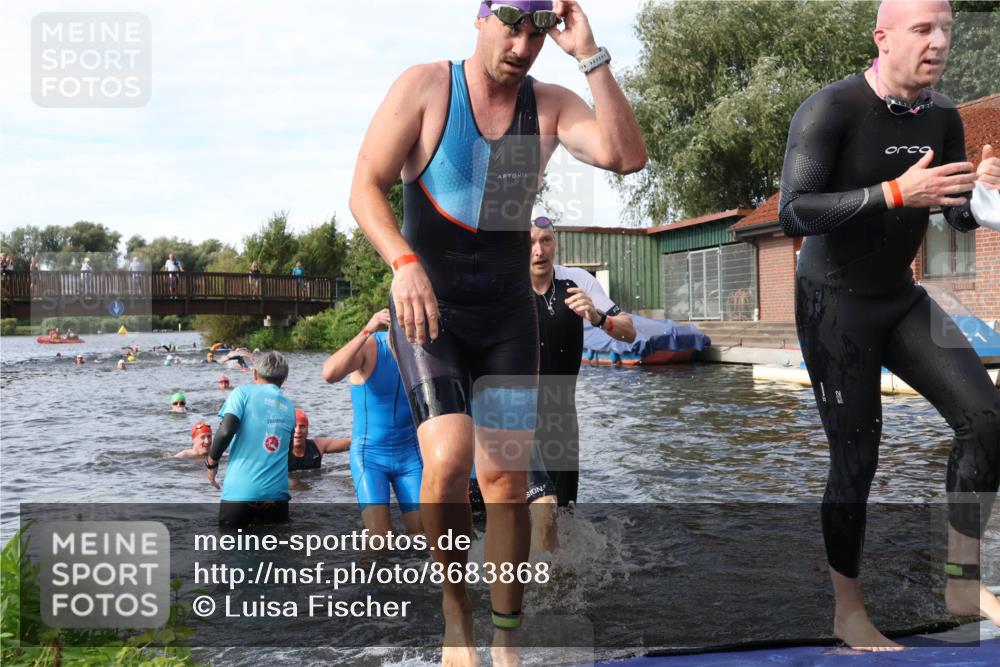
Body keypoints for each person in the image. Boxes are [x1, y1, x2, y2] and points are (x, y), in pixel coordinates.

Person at [349, 1, 647, 662]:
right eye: (511, 24)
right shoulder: (427, 87)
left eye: (537, 31)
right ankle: (457, 614)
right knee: (449, 459)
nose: (522, 44)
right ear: (481, 17)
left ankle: (505, 640)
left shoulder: (549, 104)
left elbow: (627, 156)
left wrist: (590, 54)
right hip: (431, 311)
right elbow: (364, 187)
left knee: (508, 483)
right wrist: (402, 264)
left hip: (508, 321)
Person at [778, 0, 1000, 651]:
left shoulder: (944, 117)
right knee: (858, 457)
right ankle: (848, 609)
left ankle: (962, 580)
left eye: (948, 31)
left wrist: (979, 193)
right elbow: (795, 212)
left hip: (899, 298)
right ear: (883, 37)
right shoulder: (833, 109)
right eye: (923, 29)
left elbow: (954, 214)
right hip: (833, 304)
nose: (939, 43)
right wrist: (894, 193)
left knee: (987, 421)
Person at [321, 309, 424, 537]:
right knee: (381, 535)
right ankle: (370, 572)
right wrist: (367, 330)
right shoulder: (371, 347)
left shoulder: (423, 352)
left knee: (424, 533)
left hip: (410, 456)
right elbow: (329, 374)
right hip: (370, 456)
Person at [206, 351, 297, 527]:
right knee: (276, 551)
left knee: (231, 549)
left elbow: (226, 430)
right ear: (284, 378)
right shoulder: (289, 406)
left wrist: (212, 462)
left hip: (241, 494)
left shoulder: (241, 393)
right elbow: (288, 451)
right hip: (277, 497)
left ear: (255, 373)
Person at [287, 408, 351, 473]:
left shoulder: (317, 446)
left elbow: (351, 443)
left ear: (307, 430)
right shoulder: (281, 451)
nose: (298, 431)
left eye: (302, 426)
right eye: (294, 426)